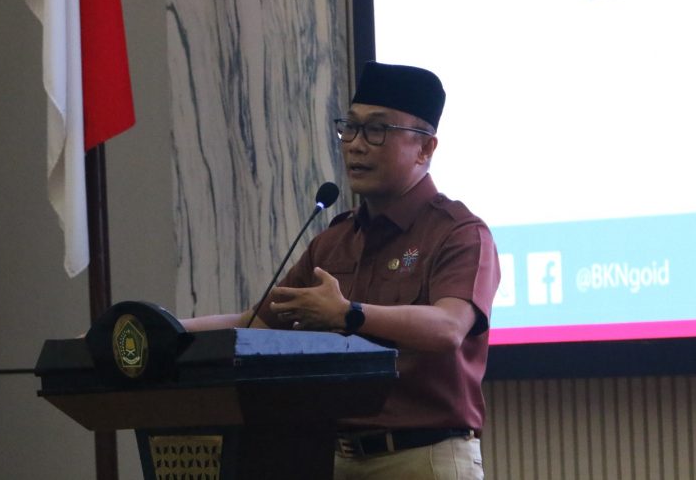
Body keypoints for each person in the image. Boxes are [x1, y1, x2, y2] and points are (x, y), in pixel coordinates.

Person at [182, 61, 500, 479]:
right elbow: (255, 323)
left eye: (377, 130)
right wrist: (162, 329)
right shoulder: (334, 240)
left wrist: (350, 314)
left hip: (423, 458)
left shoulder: (458, 233)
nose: (355, 145)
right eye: (350, 127)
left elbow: (448, 328)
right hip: (333, 459)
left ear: (425, 149)